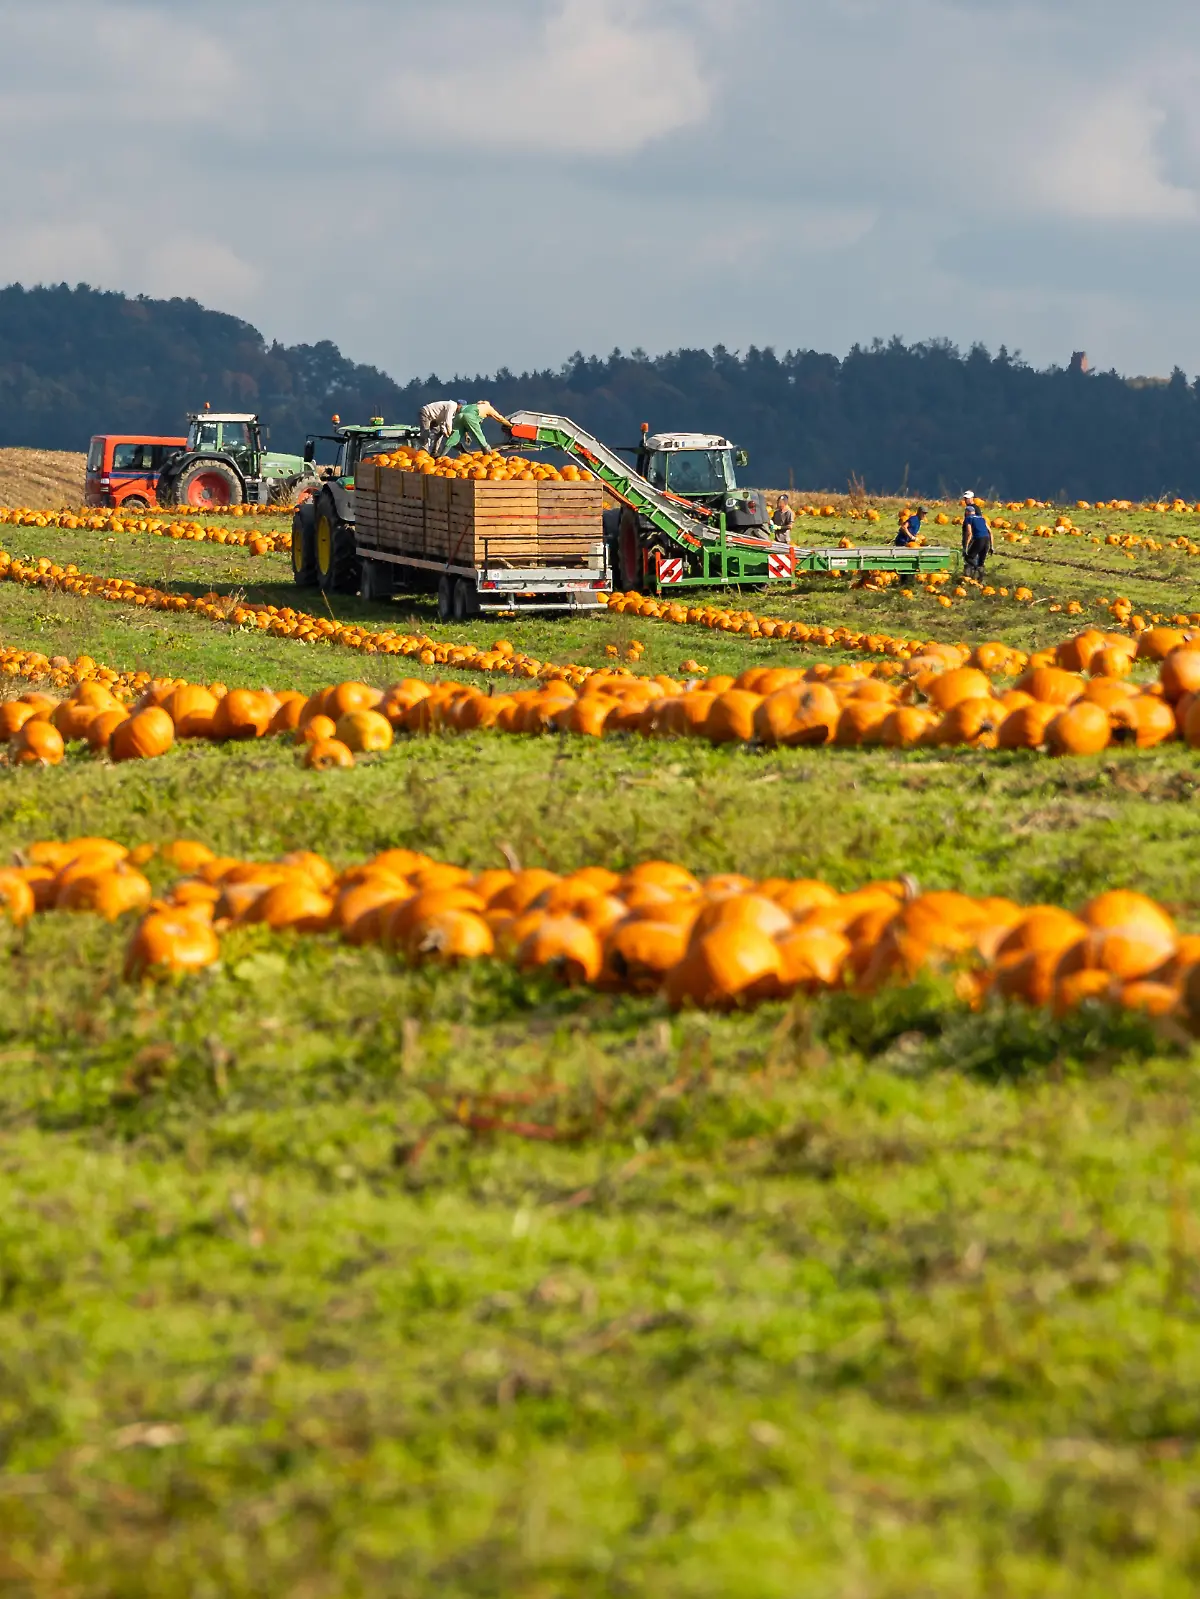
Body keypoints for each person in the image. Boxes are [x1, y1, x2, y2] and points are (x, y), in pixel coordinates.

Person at [418, 399, 510, 458]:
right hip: (469, 417)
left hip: (459, 417)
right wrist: (510, 425)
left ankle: (441, 457)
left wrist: (464, 434)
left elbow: (463, 418)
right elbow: (499, 418)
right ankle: (487, 453)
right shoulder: (488, 408)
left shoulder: (471, 405)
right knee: (478, 434)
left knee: (453, 438)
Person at [961, 492, 993, 576]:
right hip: (986, 540)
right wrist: (992, 546)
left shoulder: (969, 518)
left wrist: (966, 547)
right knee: (981, 562)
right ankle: (980, 579)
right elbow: (990, 531)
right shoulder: (982, 519)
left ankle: (971, 574)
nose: (965, 500)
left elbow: (970, 533)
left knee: (969, 558)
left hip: (978, 539)